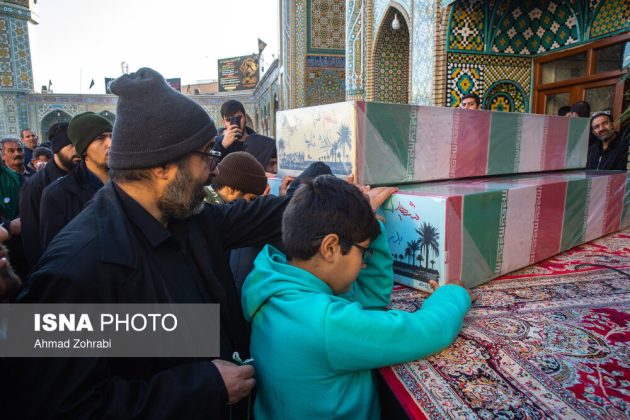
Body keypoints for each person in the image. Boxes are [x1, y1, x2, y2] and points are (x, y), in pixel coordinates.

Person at [8, 67, 294, 420]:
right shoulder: (78, 268)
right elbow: (64, 406)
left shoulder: (185, 217)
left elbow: (256, 217)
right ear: (163, 167)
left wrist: (336, 197)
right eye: (205, 154)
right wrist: (204, 387)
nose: (212, 170)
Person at [242, 175, 473, 419]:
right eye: (363, 252)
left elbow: (372, 298)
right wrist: (453, 293)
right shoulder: (325, 323)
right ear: (330, 248)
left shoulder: (274, 284)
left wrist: (367, 226)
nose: (364, 264)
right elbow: (428, 331)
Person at [38, 112, 112, 250]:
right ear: (83, 148)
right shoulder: (58, 194)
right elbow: (56, 255)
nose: (110, 143)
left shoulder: (130, 184)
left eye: (112, 136)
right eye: (100, 138)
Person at [19, 122, 81, 269]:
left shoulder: (83, 177)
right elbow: (32, 236)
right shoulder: (35, 185)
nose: (78, 150)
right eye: (71, 145)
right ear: (57, 148)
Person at [212, 99, 277, 172]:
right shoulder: (217, 143)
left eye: (239, 118)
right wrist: (222, 146)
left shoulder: (260, 142)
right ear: (223, 122)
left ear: (245, 117)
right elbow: (210, 166)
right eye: (229, 120)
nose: (235, 124)